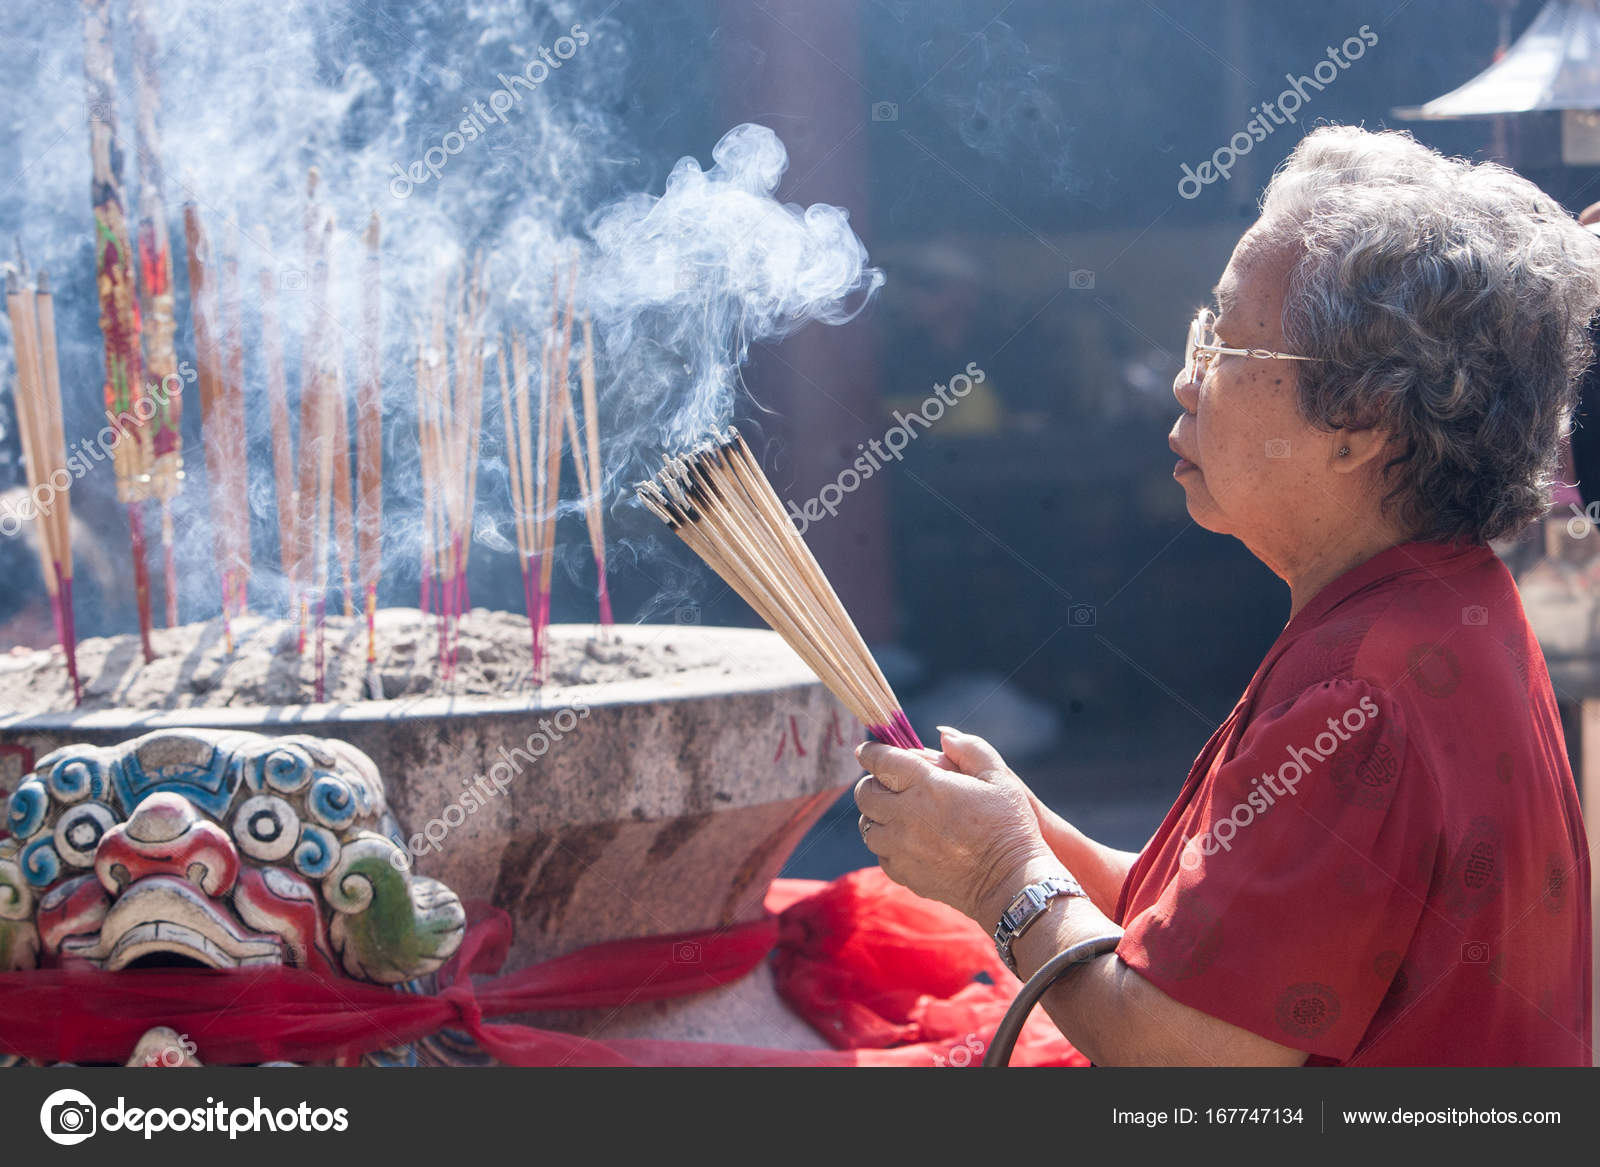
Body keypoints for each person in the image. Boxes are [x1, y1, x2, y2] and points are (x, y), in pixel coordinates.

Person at [854, 125, 1595, 1066]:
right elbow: (1216, 939)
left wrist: (1003, 873)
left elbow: (1176, 1055)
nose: (1183, 379)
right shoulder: (1447, 599)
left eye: (1224, 339)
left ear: (1359, 420)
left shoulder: (1360, 697)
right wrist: (1029, 832)